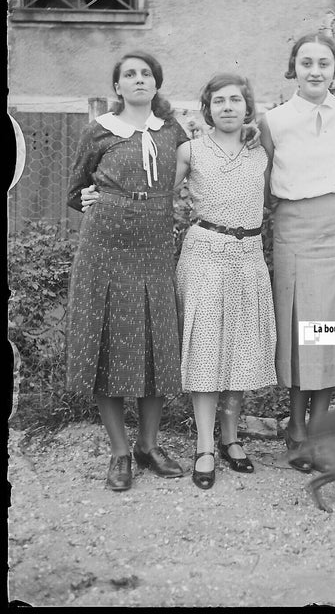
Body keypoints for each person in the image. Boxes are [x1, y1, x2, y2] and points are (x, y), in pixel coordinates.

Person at [66, 51, 187, 491]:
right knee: (109, 343)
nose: (139, 80)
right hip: (106, 248)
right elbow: (75, 190)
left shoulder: (172, 131)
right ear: (117, 87)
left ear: (156, 83)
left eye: (146, 74)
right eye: (129, 75)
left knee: (156, 342)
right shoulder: (99, 131)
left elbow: (205, 161)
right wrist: (87, 201)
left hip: (155, 246)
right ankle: (120, 453)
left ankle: (148, 445)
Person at [258, 32, 335, 473]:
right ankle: (295, 428)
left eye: (323, 63)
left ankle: (318, 429)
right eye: (306, 63)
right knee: (301, 328)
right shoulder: (273, 120)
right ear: (293, 68)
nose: (315, 71)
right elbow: (261, 181)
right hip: (295, 228)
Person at [174, 73, 277, 490]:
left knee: (241, 347)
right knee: (205, 348)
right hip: (204, 253)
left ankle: (231, 438)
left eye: (236, 100)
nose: (228, 107)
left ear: (248, 107)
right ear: (207, 108)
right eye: (219, 101)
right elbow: (157, 194)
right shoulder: (191, 150)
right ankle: (204, 445)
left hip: (249, 256)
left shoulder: (261, 150)